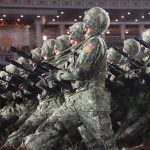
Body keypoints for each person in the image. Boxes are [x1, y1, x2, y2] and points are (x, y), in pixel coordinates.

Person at [20, 7, 118, 150]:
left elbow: (79, 72)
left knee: (105, 144)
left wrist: (57, 75)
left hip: (92, 100)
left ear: (89, 22)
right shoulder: (87, 43)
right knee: (49, 128)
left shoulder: (94, 42)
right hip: (78, 98)